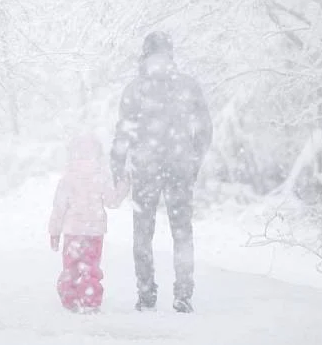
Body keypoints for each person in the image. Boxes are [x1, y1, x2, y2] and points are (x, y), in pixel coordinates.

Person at [110, 31, 213, 313]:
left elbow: (123, 133)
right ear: (170, 54)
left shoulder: (135, 89)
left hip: (146, 169)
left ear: (144, 55)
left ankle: (146, 294)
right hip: (178, 167)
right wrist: (193, 161)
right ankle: (183, 295)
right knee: (182, 233)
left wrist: (118, 168)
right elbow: (204, 129)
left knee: (143, 233)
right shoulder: (187, 86)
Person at [48, 134, 128, 313]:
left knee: (71, 267)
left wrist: (54, 232)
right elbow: (112, 202)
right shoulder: (101, 177)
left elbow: (58, 209)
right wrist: (123, 186)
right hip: (94, 232)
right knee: (90, 268)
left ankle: (70, 298)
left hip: (72, 232)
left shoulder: (67, 179)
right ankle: (90, 300)